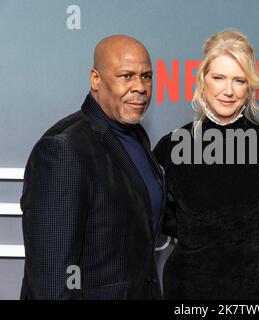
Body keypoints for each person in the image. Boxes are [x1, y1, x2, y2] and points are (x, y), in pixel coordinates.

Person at [20, 35, 165, 299]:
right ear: (96, 79)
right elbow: (52, 279)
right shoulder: (64, 148)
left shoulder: (135, 135)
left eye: (146, 76)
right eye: (126, 76)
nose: (140, 87)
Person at [154, 29, 259, 299]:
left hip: (254, 291)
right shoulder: (172, 146)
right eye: (219, 78)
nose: (228, 91)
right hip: (188, 289)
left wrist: (250, 228)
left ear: (250, 87)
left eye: (239, 80)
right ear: (203, 81)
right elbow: (157, 215)